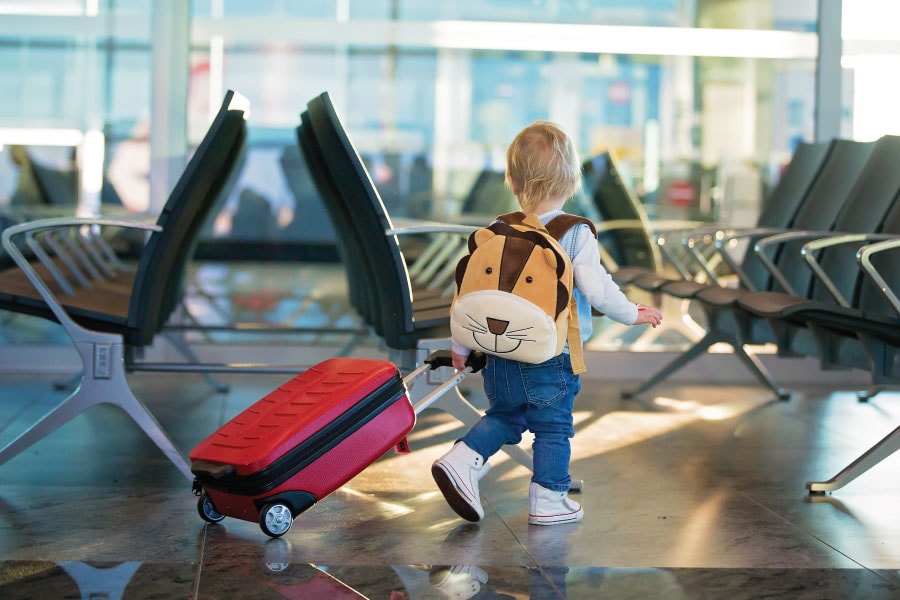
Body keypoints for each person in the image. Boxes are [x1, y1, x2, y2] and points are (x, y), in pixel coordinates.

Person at [432, 121, 663, 526]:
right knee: (553, 428)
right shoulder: (574, 234)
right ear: (572, 179)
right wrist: (632, 313)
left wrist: (462, 347)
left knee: (504, 417)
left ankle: (463, 457)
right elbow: (598, 289)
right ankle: (550, 499)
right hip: (550, 356)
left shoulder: (496, 231)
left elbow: (469, 294)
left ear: (511, 180)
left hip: (499, 352)